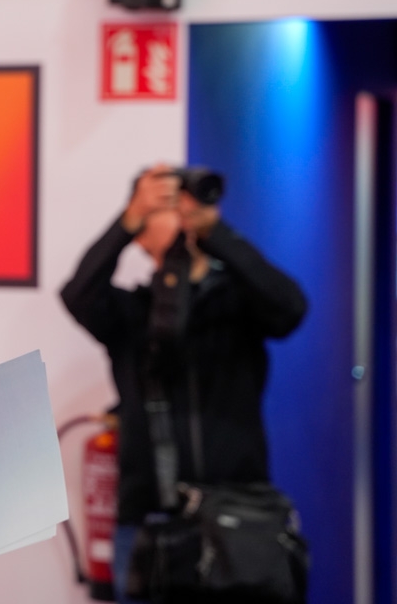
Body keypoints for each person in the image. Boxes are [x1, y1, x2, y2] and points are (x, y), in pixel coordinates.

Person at [59, 164, 307, 604]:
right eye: (166, 205)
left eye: (185, 202)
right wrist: (127, 219)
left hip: (240, 520)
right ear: (141, 234)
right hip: (150, 522)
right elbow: (78, 294)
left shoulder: (237, 302)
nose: (180, 211)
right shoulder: (131, 313)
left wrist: (215, 233)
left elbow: (291, 307)